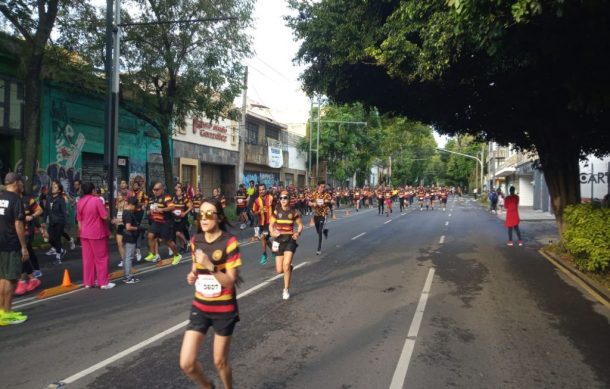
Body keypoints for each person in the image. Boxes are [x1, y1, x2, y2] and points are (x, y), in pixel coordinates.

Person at [180, 197, 241, 389]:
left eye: (209, 214)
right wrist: (193, 274)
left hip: (224, 309)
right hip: (200, 306)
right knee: (187, 363)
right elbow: (195, 268)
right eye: (201, 214)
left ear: (219, 218)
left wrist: (210, 266)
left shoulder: (229, 243)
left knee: (219, 362)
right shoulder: (195, 240)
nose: (204, 218)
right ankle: (208, 386)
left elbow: (230, 283)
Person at [0, 173, 29, 325]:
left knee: (2, 278)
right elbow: (19, 225)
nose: (22, 186)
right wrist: (24, 246)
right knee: (11, 279)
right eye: (21, 183)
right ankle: (7, 312)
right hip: (11, 243)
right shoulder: (16, 199)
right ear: (16, 183)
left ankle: (1, 311)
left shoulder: (0, 196)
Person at [77, 182, 115, 289]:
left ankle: (88, 282)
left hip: (84, 233)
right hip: (97, 233)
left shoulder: (80, 202)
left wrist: (82, 231)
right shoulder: (96, 200)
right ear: (93, 190)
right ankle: (103, 282)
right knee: (101, 258)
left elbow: (79, 221)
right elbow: (104, 216)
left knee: (88, 259)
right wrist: (110, 218)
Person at [269, 190, 303, 300]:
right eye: (281, 198)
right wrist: (272, 232)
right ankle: (289, 268)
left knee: (286, 264)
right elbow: (271, 225)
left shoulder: (294, 211)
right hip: (278, 241)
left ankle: (285, 289)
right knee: (279, 270)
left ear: (289, 199)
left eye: (285, 198)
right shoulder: (276, 211)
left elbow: (300, 225)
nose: (283, 200)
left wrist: (298, 233)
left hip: (290, 240)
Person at [14, 190, 43, 295]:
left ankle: (22, 281)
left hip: (27, 231)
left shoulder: (28, 199)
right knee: (24, 255)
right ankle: (33, 278)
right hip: (16, 232)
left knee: (22, 254)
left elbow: (40, 210)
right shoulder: (12, 199)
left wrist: (32, 216)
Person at [144, 182, 181, 265]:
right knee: (150, 236)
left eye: (157, 190)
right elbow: (153, 208)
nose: (155, 191)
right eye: (154, 190)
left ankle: (177, 255)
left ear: (162, 189)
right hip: (156, 222)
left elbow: (172, 207)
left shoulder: (166, 197)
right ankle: (153, 254)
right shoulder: (154, 198)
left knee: (168, 241)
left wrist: (162, 210)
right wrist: (151, 211)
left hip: (165, 222)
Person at [252, 183, 275, 264]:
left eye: (263, 189)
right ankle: (273, 251)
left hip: (271, 222)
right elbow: (254, 212)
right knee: (265, 239)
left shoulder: (271, 198)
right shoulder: (256, 201)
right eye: (260, 190)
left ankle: (265, 254)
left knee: (263, 237)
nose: (262, 191)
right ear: (258, 191)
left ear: (266, 190)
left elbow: (277, 208)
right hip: (262, 223)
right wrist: (258, 212)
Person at [47, 180, 69, 264]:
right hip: (52, 222)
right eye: (53, 186)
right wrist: (44, 221)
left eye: (55, 187)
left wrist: (66, 223)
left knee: (57, 238)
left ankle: (58, 257)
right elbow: (46, 210)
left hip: (60, 222)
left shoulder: (61, 199)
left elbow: (64, 211)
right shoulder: (49, 198)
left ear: (59, 190)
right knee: (50, 239)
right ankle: (61, 250)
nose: (53, 187)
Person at [309, 181, 333, 255]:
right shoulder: (314, 193)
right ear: (318, 186)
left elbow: (332, 201)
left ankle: (319, 249)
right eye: (322, 186)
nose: (323, 188)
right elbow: (309, 202)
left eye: (324, 187)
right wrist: (313, 203)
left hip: (323, 214)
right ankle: (324, 231)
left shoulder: (326, 194)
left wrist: (327, 201)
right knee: (318, 230)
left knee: (319, 231)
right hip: (316, 214)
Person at [122, 197, 141, 283]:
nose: (136, 208)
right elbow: (128, 227)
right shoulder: (129, 214)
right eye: (135, 206)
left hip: (126, 236)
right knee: (129, 257)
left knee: (126, 257)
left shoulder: (125, 212)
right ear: (132, 205)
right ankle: (129, 277)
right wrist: (138, 228)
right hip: (130, 236)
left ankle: (127, 275)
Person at [113, 191, 127, 268]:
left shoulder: (126, 204)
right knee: (119, 243)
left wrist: (120, 220)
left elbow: (127, 217)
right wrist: (115, 220)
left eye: (120, 195)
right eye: (118, 196)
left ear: (124, 197)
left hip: (125, 225)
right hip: (120, 226)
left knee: (125, 243)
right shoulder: (117, 205)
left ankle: (127, 259)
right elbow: (115, 214)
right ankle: (123, 259)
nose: (119, 197)